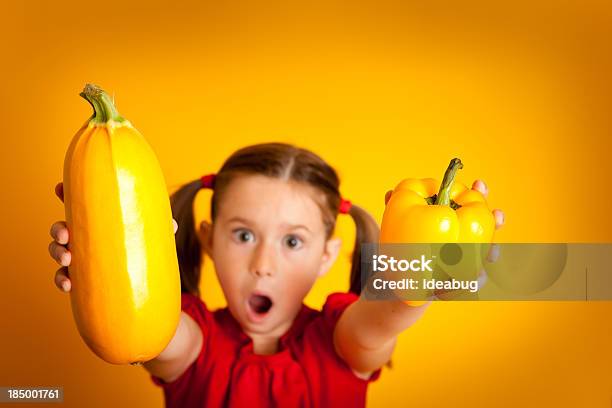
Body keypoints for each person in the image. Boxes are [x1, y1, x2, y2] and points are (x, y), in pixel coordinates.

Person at [48, 142, 504, 407]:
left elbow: (379, 320)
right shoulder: (195, 343)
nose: (263, 263)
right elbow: (149, 332)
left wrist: (418, 277)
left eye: (292, 242)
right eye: (243, 235)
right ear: (208, 239)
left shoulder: (337, 340)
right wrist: (112, 251)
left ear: (327, 256)